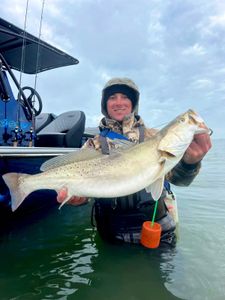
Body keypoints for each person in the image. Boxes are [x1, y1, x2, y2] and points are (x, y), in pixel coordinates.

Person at [57, 78, 212, 246]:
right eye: (112, 97)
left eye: (125, 96)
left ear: (133, 102)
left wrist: (191, 163)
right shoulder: (92, 145)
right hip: (112, 235)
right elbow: (84, 190)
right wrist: (78, 199)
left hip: (156, 232)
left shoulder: (154, 137)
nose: (118, 102)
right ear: (105, 104)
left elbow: (179, 180)